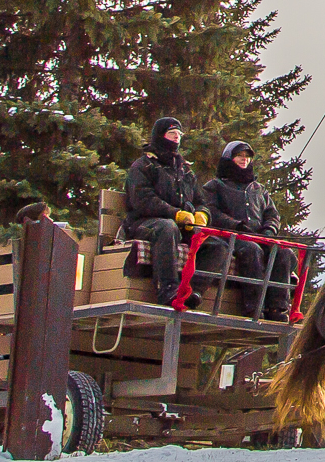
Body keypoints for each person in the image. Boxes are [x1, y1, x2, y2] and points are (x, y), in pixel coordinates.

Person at [122, 115, 217, 309]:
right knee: (167, 227)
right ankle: (167, 289)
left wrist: (202, 214)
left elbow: (201, 200)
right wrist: (175, 214)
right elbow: (143, 200)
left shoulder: (184, 170)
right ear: (160, 135)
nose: (176, 137)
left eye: (179, 134)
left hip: (181, 225)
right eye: (172, 133)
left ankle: (194, 291)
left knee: (217, 245)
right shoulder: (144, 165)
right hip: (143, 223)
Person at [200, 140, 294, 322]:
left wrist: (269, 230)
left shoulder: (258, 189)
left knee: (283, 252)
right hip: (230, 236)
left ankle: (278, 307)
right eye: (239, 156)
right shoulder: (215, 186)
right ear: (229, 158)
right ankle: (254, 306)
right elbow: (211, 211)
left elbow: (272, 214)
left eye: (247, 157)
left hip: (258, 236)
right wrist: (235, 225)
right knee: (252, 250)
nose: (244, 160)